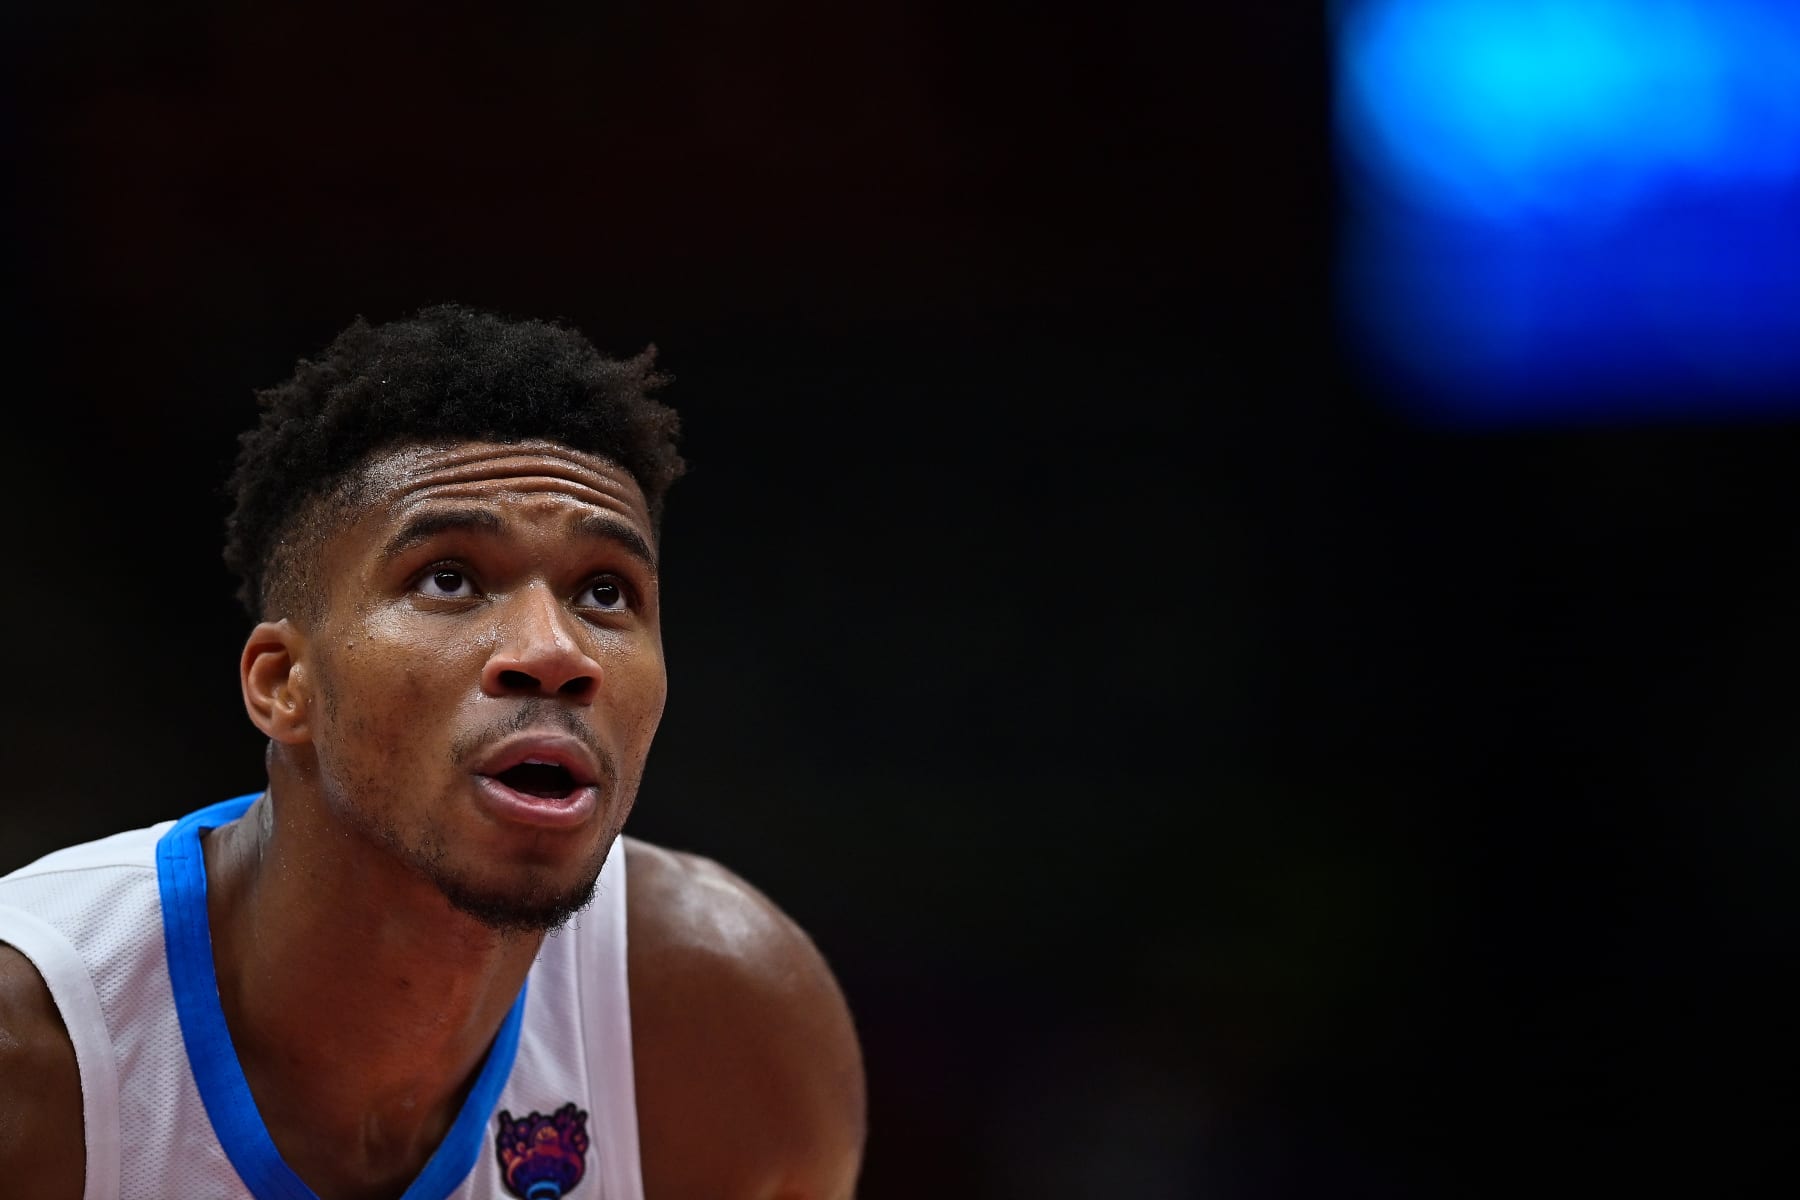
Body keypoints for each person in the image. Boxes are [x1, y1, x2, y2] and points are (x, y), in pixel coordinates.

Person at [0, 305, 866, 1200]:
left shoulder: (725, 1024)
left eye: (605, 593)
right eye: (449, 579)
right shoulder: (30, 1053)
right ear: (283, 683)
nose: (555, 651)